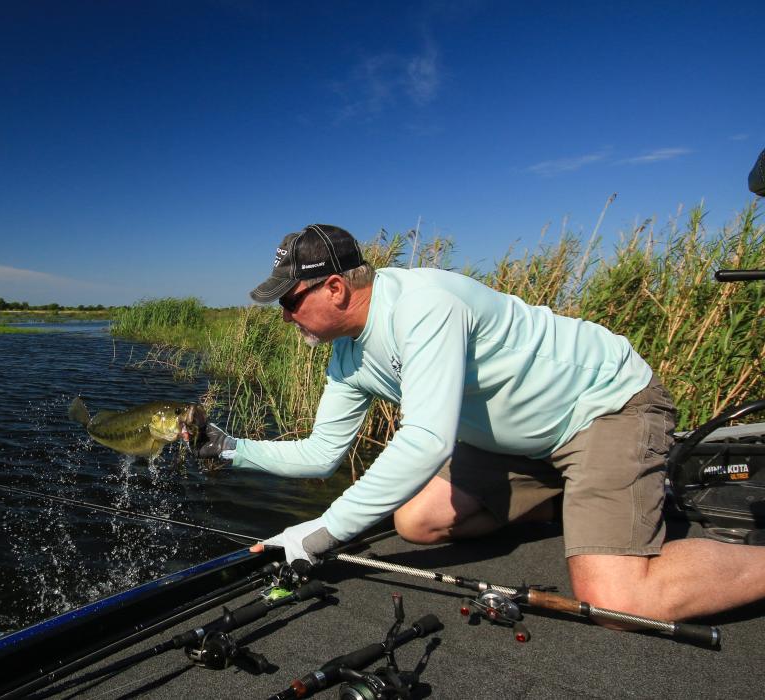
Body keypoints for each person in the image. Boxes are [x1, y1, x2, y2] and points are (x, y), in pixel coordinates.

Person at [196, 223, 765, 625]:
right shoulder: (346, 357)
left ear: (336, 288)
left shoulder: (424, 304)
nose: (285, 315)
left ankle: (617, 510)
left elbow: (425, 439)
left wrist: (322, 531)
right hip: (516, 443)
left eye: (291, 301)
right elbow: (322, 454)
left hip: (601, 409)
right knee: (417, 521)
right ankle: (589, 503)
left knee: (615, 599)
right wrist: (230, 449)